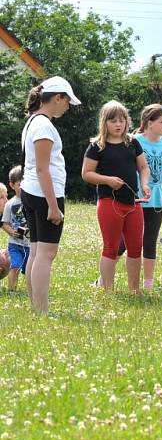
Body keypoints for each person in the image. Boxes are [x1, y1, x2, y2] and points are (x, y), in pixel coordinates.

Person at [20, 76, 81, 314]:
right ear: (57, 98)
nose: (67, 107)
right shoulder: (44, 125)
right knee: (47, 253)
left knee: (37, 251)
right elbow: (43, 168)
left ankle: (36, 307)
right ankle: (42, 309)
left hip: (31, 191)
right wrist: (53, 206)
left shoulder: (33, 122)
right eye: (66, 101)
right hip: (44, 194)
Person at [82, 101, 151, 292]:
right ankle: (108, 290)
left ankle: (134, 289)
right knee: (111, 247)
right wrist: (107, 180)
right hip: (108, 202)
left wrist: (145, 184)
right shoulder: (97, 146)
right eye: (113, 121)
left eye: (122, 120)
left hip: (133, 202)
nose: (118, 125)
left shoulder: (132, 143)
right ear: (105, 122)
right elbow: (86, 173)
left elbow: (143, 167)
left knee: (136, 247)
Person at [134, 104, 162, 289]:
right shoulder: (135, 141)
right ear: (149, 123)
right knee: (125, 242)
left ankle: (148, 284)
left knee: (150, 242)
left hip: (157, 199)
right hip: (138, 198)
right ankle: (104, 278)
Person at [2, 166, 30, 291]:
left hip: (30, 244)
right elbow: (4, 223)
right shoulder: (10, 204)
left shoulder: (32, 202)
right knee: (15, 266)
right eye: (20, 184)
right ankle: (11, 290)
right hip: (14, 244)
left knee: (29, 269)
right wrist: (11, 232)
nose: (23, 187)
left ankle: (33, 291)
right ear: (12, 185)